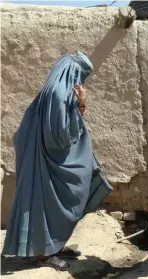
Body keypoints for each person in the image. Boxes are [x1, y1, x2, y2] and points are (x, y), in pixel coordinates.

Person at [2, 52, 113, 271]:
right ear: (72, 71)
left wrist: (79, 106)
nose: (80, 80)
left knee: (52, 206)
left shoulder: (52, 90)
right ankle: (45, 254)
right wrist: (82, 103)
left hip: (44, 159)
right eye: (80, 75)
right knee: (54, 204)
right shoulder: (58, 94)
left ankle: (55, 245)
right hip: (50, 163)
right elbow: (61, 136)